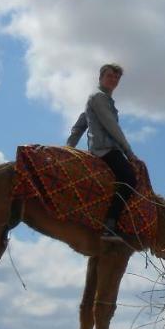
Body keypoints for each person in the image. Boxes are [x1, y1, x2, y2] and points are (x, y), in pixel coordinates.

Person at [65, 63, 139, 243]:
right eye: (110, 76)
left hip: (103, 149)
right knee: (129, 179)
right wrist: (129, 152)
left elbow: (80, 125)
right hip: (106, 150)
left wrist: (69, 147)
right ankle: (110, 225)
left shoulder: (99, 99)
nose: (113, 80)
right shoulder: (99, 98)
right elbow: (111, 127)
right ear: (101, 77)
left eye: (116, 77)